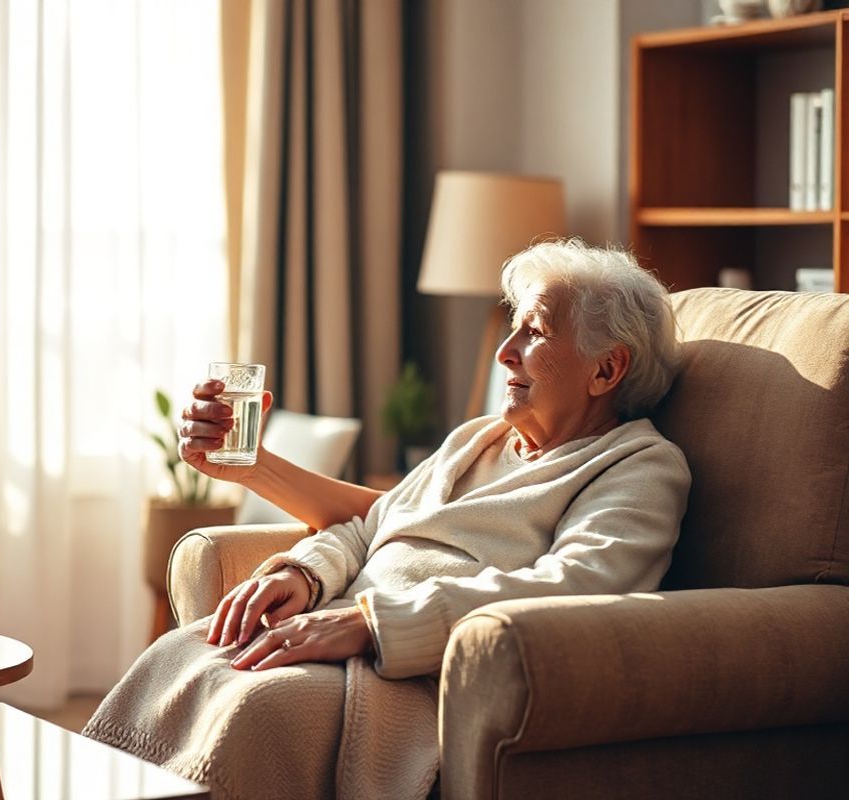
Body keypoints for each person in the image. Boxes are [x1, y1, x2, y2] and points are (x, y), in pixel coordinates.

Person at [83, 239, 692, 800]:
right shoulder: (478, 440)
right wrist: (306, 573)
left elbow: (576, 588)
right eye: (513, 328)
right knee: (175, 661)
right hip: (337, 624)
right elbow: (374, 524)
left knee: (259, 708)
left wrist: (374, 626)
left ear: (607, 370)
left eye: (533, 332)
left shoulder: (639, 466)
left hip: (409, 671)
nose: (505, 352)